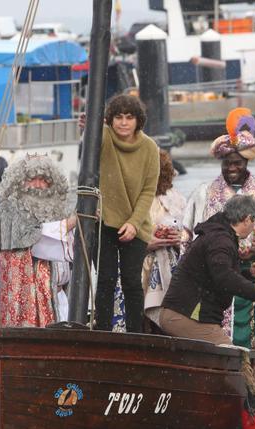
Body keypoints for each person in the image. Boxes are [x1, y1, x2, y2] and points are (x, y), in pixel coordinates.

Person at [182, 107, 255, 350]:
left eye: (237, 163)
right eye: (227, 163)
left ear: (246, 162)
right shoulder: (204, 193)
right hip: (219, 272)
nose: (231, 168)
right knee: (219, 334)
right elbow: (188, 236)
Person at [160, 195, 255, 345]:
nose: (254, 225)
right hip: (186, 315)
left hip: (180, 313)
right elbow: (224, 277)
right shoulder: (220, 240)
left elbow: (218, 275)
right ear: (247, 219)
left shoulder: (218, 234)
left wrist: (249, 274)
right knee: (233, 360)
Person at [94, 94, 160, 334]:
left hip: (136, 224)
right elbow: (90, 135)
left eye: (129, 118)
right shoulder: (103, 137)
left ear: (137, 120)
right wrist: (89, 125)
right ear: (110, 119)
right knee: (105, 280)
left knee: (132, 282)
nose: (123, 123)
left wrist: (133, 223)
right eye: (118, 117)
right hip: (104, 220)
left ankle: (135, 335)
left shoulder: (150, 147)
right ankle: (101, 333)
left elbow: (148, 191)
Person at [0, 154, 76, 327]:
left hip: (61, 300)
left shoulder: (58, 209)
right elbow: (35, 240)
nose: (38, 185)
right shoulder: (9, 211)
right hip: (31, 304)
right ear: (19, 182)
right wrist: (71, 223)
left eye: (43, 179)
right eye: (31, 179)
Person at [110, 149, 185, 332]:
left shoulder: (176, 198)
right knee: (133, 315)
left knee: (163, 319)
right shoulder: (124, 197)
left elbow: (189, 233)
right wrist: (144, 243)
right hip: (133, 264)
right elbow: (112, 236)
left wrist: (178, 239)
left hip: (166, 266)